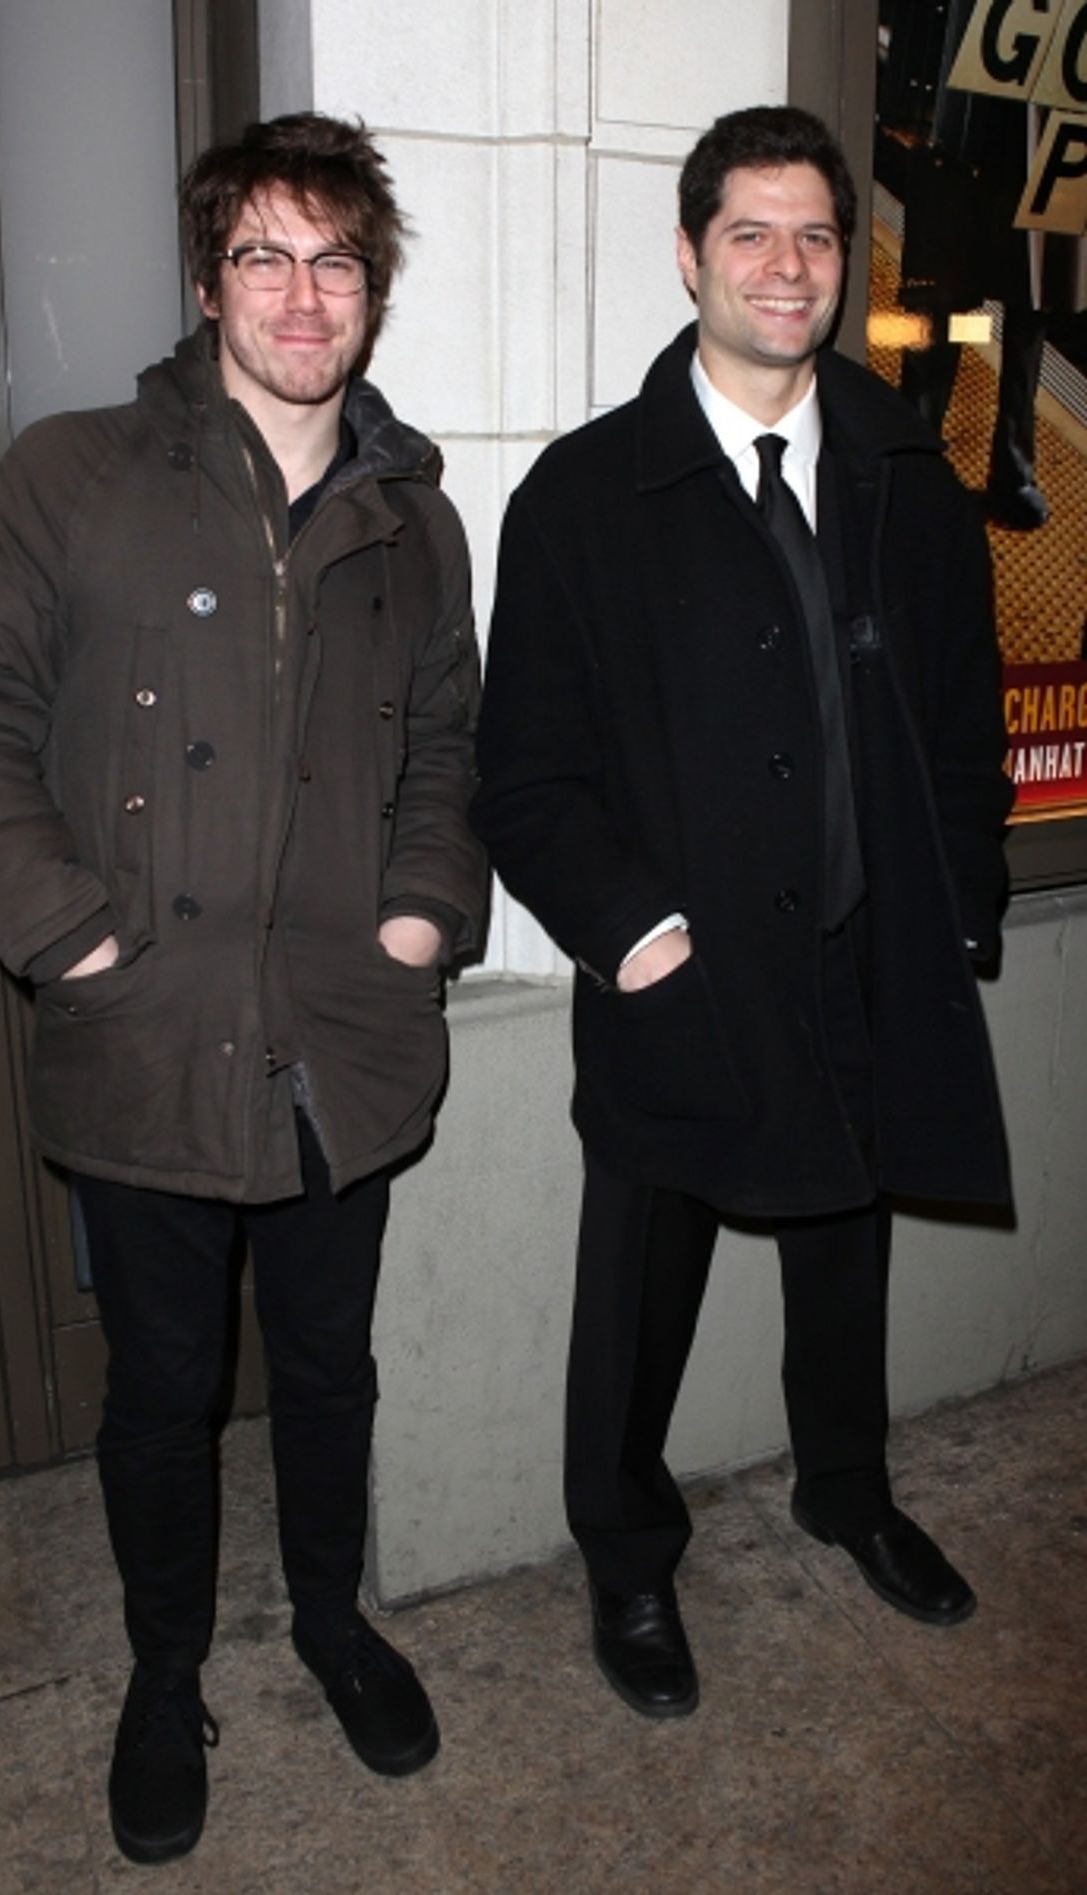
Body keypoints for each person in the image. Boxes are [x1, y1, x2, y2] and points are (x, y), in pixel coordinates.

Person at [0, 112, 485, 1862]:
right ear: (207, 278)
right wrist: (72, 941)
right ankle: (166, 1675)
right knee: (159, 1388)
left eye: (335, 261)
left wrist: (417, 916)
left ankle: (326, 1616)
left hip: (341, 1044)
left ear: (371, 292)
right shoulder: (70, 475)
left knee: (329, 1364)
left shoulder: (415, 519)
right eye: (264, 257)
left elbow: (445, 746)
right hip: (144, 1044)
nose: (301, 296)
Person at [472, 105, 1013, 1720]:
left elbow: (966, 712)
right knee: (640, 1297)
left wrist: (962, 904)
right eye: (754, 234)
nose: (791, 268)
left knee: (849, 1255)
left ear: (846, 263)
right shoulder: (582, 497)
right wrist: (635, 934)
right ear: (692, 253)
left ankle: (847, 1488)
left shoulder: (909, 474)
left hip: (866, 955)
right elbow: (525, 775)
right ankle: (630, 1564)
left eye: (819, 237)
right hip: (682, 984)